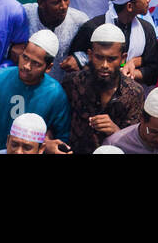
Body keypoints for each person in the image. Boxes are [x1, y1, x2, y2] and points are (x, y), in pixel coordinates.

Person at [0, 29, 71, 153]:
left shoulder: (56, 95)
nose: (26, 66)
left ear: (48, 67)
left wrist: (47, 146)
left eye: (35, 63)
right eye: (25, 57)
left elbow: (61, 141)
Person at [61, 23, 143, 154]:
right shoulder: (73, 82)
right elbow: (59, 123)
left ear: (123, 58)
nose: (105, 65)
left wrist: (116, 131)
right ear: (90, 55)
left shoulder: (134, 93)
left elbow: (135, 144)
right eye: (99, 57)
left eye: (111, 59)